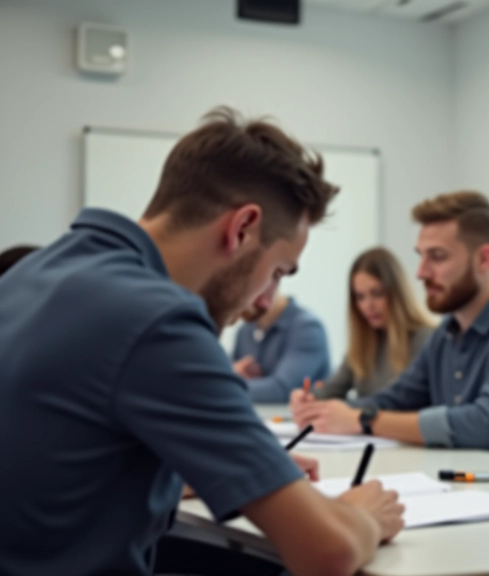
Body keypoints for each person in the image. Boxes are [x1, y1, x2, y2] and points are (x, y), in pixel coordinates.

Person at [0, 107, 403, 576]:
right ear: (242, 228)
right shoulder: (156, 320)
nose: (263, 300)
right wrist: (362, 515)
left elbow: (72, 463)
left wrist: (230, 472)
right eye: (275, 272)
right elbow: (326, 552)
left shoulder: (34, 273)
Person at [291, 191, 489, 458]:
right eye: (421, 256)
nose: (420, 272)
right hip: (468, 491)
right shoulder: (446, 335)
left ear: (484, 258)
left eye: (437, 257)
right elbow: (394, 399)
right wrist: (322, 411)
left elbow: (484, 425)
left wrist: (362, 419)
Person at [317, 247, 434, 400]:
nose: (368, 306)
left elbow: (400, 402)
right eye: (360, 297)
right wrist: (306, 399)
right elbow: (329, 390)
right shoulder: (364, 342)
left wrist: (347, 411)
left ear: (397, 293)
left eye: (377, 294)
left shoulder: (426, 339)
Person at [232, 287, 332, 402]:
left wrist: (225, 386)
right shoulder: (246, 330)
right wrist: (233, 372)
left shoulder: (308, 328)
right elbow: (231, 373)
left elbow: (282, 390)